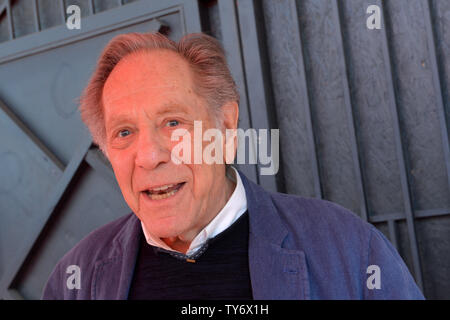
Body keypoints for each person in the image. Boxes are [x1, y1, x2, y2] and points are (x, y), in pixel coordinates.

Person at [41, 32, 424, 300]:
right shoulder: (75, 279)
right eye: (124, 132)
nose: (149, 156)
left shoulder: (347, 249)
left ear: (225, 128)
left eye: (173, 123)